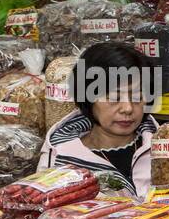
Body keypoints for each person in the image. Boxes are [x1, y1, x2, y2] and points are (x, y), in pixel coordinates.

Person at [38, 41, 158, 198]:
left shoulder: (164, 147)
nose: (128, 108)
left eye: (137, 96)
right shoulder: (60, 156)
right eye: (113, 97)